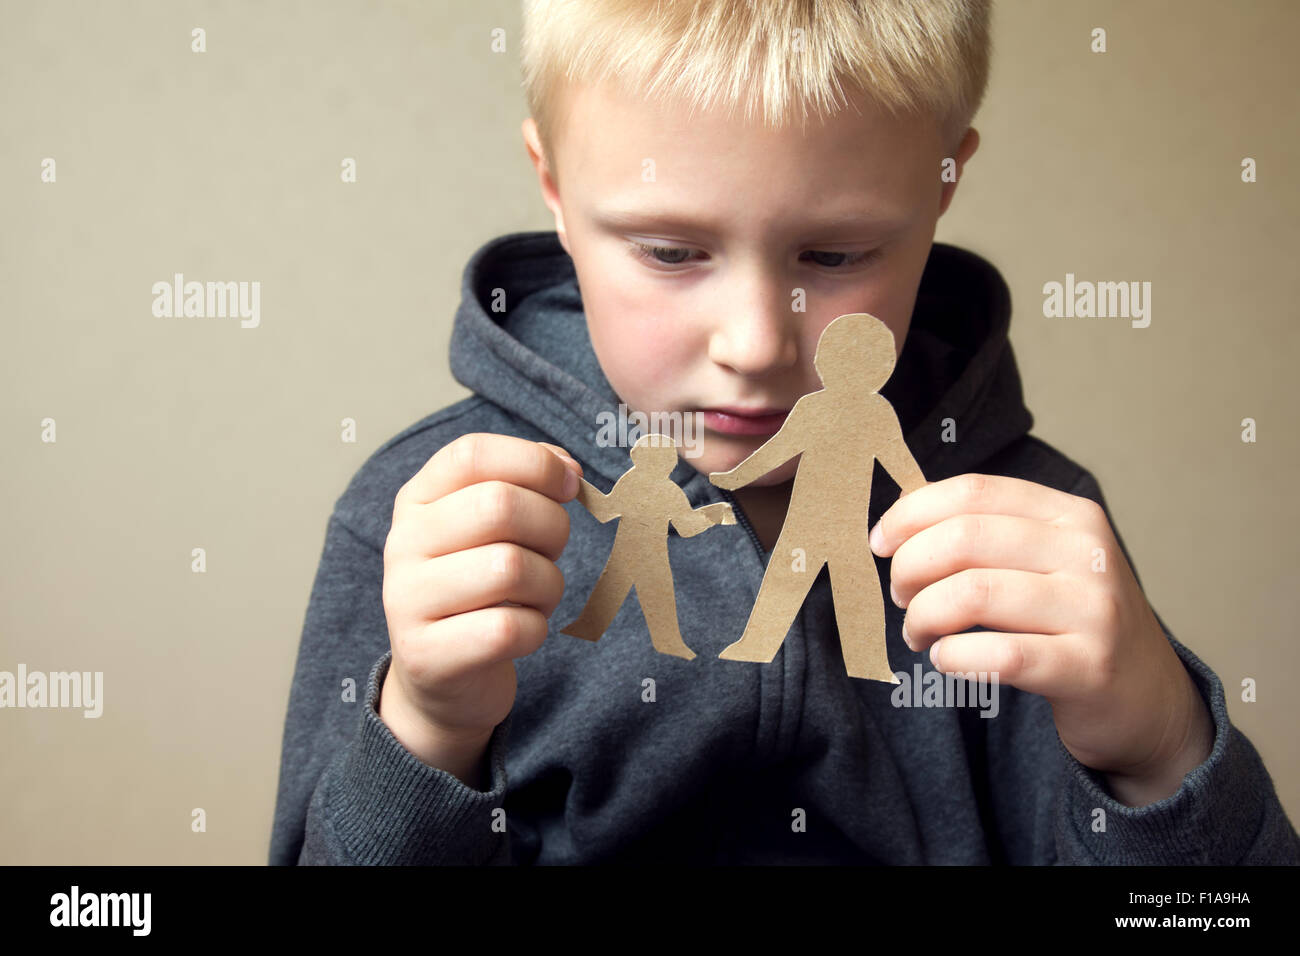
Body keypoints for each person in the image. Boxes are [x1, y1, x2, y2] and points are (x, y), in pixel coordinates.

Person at [269, 0, 1300, 865]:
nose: (757, 343)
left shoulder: (1033, 531)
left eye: (835, 255)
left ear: (944, 183)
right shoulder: (429, 515)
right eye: (671, 251)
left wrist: (1161, 746)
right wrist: (427, 730)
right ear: (554, 187)